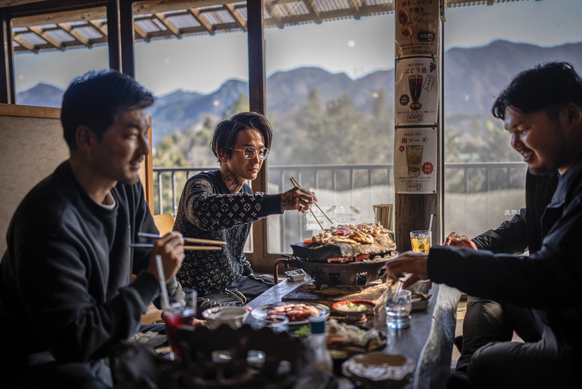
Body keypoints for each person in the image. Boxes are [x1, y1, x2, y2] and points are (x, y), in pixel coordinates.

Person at [386, 62, 582, 389]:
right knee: (481, 296)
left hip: (571, 341)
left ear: (571, 115)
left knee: (486, 365)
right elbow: (524, 226)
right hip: (555, 312)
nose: (515, 143)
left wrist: (440, 263)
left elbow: (548, 275)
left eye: (522, 129)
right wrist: (474, 249)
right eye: (511, 133)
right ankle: (471, 366)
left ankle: (475, 369)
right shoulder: (554, 171)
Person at [0, 71, 186, 388]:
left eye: (146, 134)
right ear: (86, 138)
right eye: (131, 135)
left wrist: (181, 315)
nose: (145, 149)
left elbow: (151, 254)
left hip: (103, 335)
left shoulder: (126, 188)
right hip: (47, 360)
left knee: (197, 348)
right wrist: (153, 280)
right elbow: (76, 342)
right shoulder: (48, 220)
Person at [174, 111, 316, 308]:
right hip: (198, 295)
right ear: (223, 153)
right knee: (265, 314)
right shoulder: (200, 184)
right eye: (248, 151)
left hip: (237, 285)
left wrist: (254, 277)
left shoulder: (246, 192)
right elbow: (203, 211)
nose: (257, 159)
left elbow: (235, 254)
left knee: (299, 292)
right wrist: (278, 202)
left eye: (261, 151)